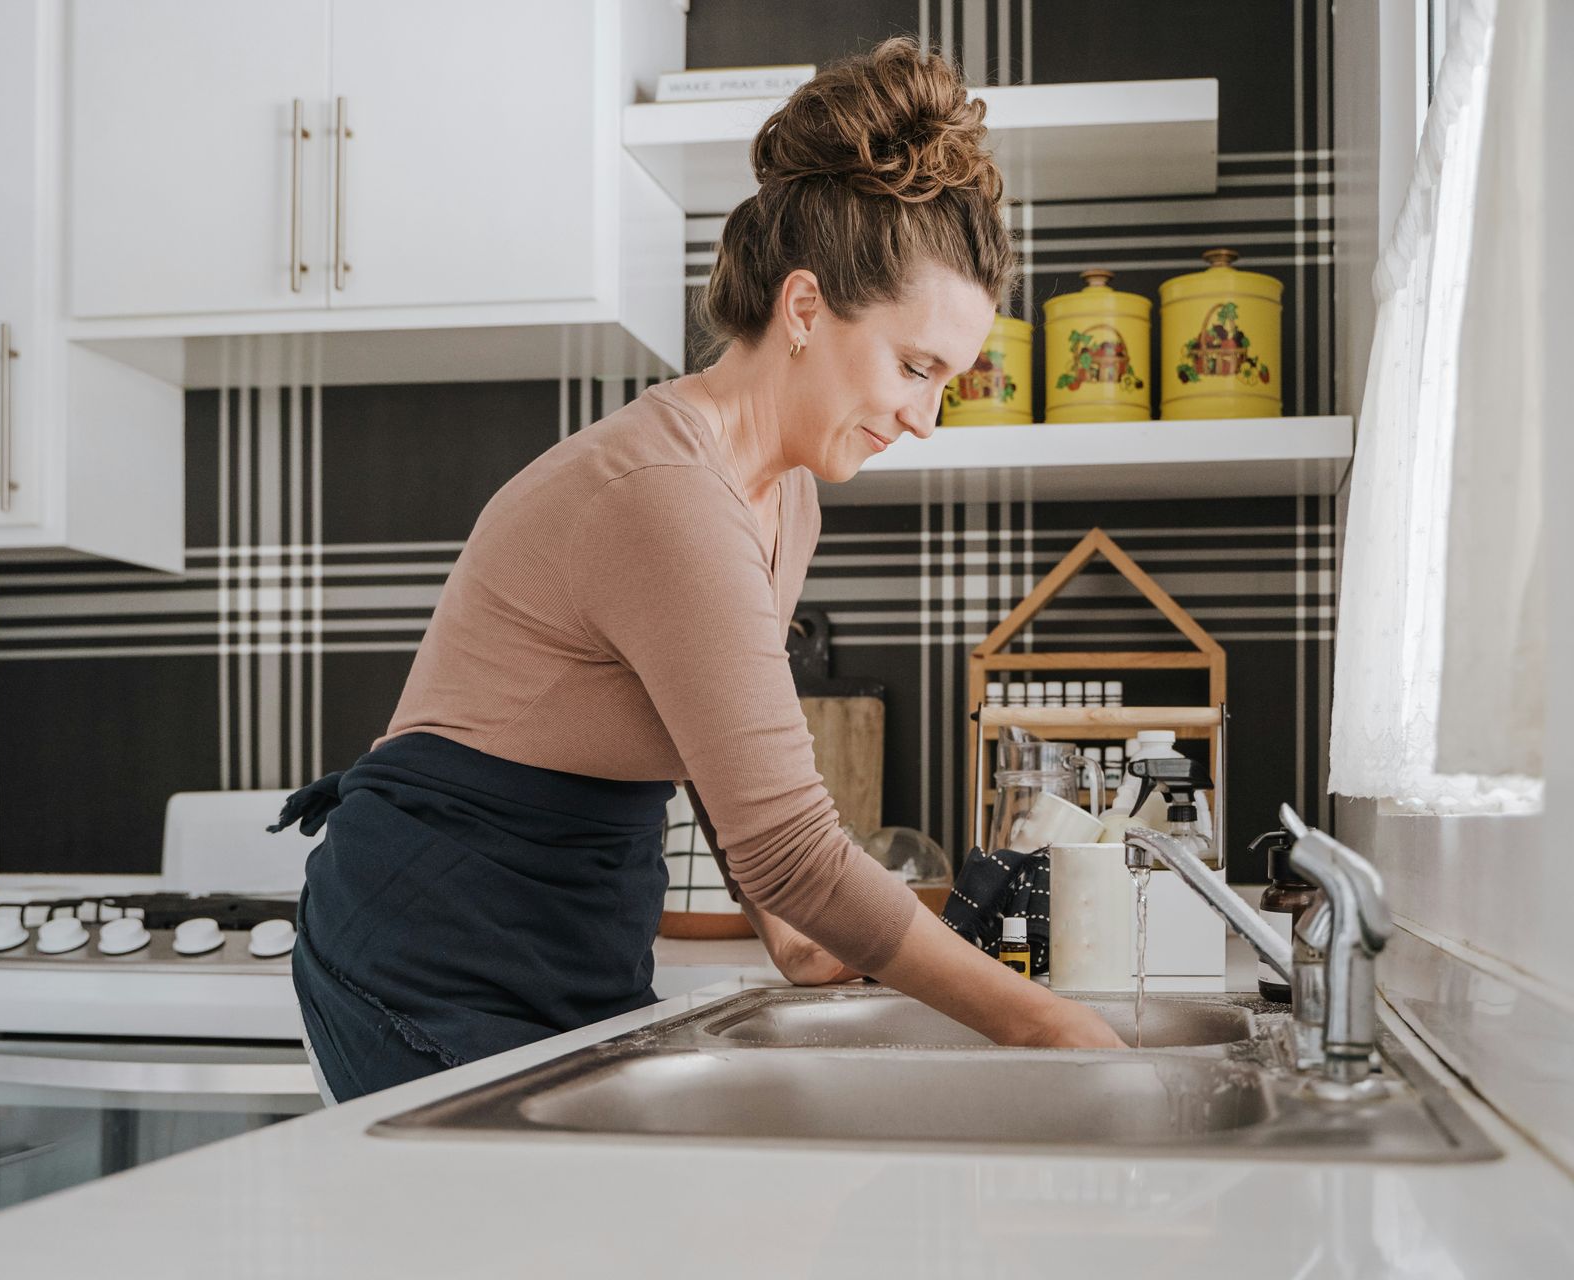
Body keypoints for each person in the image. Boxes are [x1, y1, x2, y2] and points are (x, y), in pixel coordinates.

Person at [277, 35, 1125, 1106]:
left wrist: (795, 936)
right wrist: (1041, 1021)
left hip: (570, 925)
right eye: (916, 367)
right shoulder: (666, 492)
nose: (926, 416)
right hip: (431, 935)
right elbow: (794, 850)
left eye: (950, 381)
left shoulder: (788, 495)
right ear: (806, 310)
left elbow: (716, 749)